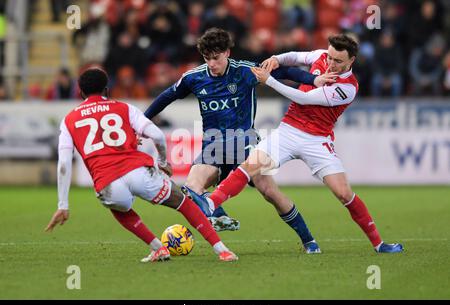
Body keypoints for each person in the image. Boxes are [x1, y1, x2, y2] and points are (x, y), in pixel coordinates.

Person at [203, 34, 404, 254]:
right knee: (249, 167)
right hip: (288, 131)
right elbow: (296, 56)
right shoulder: (321, 56)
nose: (331, 63)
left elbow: (304, 99)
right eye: (329, 57)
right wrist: (277, 59)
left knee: (344, 194)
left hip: (317, 141)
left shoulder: (348, 87)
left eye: (338, 61)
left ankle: (379, 244)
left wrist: (269, 80)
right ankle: (210, 205)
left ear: (351, 61)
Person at [144, 28, 335, 254]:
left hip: (245, 143)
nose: (212, 64)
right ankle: (219, 215)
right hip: (213, 146)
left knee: (270, 192)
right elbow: (167, 96)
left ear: (227, 53)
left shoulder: (245, 71)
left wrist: (314, 79)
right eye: (207, 59)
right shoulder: (194, 78)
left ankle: (309, 241)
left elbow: (284, 71)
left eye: (216, 58)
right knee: (191, 187)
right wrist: (142, 123)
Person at [45, 68, 238, 262]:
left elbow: (63, 164)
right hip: (139, 171)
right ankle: (222, 251)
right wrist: (162, 161)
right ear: (106, 89)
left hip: (107, 182)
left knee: (119, 208)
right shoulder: (124, 108)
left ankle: (158, 248)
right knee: (183, 203)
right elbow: (157, 135)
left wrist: (63, 204)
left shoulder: (69, 120)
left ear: (81, 92)